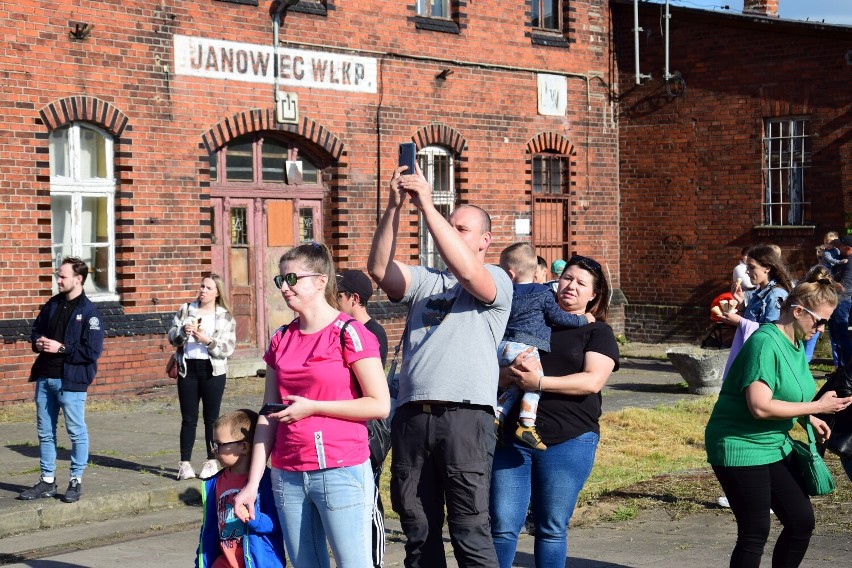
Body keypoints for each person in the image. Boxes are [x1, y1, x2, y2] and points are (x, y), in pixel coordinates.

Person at [368, 164, 512, 567]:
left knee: (469, 530)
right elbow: (379, 270)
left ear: (485, 240)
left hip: (465, 418)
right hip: (414, 417)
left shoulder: (498, 278)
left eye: (460, 228)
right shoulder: (426, 280)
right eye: (451, 226)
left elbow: (469, 271)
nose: (450, 231)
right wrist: (394, 209)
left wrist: (428, 207)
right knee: (418, 529)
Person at [233, 243, 389, 568]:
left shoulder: (350, 332)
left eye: (292, 278)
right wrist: (251, 483)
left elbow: (379, 405)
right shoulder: (280, 338)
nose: (285, 287)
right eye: (280, 280)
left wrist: (314, 407)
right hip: (288, 473)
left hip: (341, 469)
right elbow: (268, 414)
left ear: (321, 280)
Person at [705, 277, 852, 568]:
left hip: (773, 443)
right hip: (739, 444)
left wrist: (807, 416)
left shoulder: (795, 344)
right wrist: (819, 406)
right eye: (819, 321)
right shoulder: (765, 342)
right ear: (799, 311)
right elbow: (759, 406)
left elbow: (781, 394)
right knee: (755, 532)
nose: (821, 329)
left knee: (800, 522)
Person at [490, 254, 618, 567]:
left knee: (551, 527)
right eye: (567, 278)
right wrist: (507, 376)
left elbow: (592, 381)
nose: (571, 286)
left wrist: (540, 381)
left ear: (594, 295)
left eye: (581, 283)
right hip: (512, 440)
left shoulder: (596, 332)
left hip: (569, 439)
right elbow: (490, 370)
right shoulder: (532, 319)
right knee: (503, 526)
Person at [18, 257, 105, 504]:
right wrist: (38, 342)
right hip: (45, 377)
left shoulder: (90, 313)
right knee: (45, 432)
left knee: (76, 432)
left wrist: (61, 348)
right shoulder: (53, 304)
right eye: (58, 275)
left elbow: (91, 352)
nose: (58, 280)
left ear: (78, 279)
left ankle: (75, 480)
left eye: (63, 276)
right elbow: (36, 330)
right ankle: (47, 480)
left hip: (71, 382)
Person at [495, 243, 593, 451]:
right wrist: (583, 320)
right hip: (525, 347)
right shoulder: (543, 292)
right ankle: (527, 424)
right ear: (536, 270)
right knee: (533, 383)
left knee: (515, 385)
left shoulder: (504, 293)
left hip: (502, 346)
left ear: (510, 274)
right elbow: (558, 316)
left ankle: (498, 417)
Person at [336, 267, 389, 568]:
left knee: (369, 498)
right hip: (347, 424)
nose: (332, 299)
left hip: (366, 428)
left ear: (353, 299)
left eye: (338, 295)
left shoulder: (371, 333)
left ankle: (374, 560)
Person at [196, 409, 287, 568]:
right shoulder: (213, 484)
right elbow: (208, 532)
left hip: (258, 563)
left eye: (219, 445)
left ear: (244, 447)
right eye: (213, 444)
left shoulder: (265, 482)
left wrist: (254, 518)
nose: (213, 449)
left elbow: (278, 523)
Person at [168, 274, 237, 481]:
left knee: (211, 419)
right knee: (188, 419)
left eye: (208, 288)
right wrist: (182, 331)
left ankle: (210, 461)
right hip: (188, 369)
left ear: (217, 292)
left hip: (212, 371)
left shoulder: (224, 316)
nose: (203, 290)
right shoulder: (186, 309)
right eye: (202, 286)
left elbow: (228, 348)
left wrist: (207, 340)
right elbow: (171, 337)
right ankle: (185, 464)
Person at [722, 244, 794, 328]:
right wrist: (741, 302)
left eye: (751, 267)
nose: (747, 271)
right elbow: (748, 322)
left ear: (767, 268)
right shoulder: (760, 292)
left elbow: (770, 331)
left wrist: (739, 322)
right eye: (747, 267)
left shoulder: (775, 295)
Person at [337, 269, 388, 367]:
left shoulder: (374, 333)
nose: (333, 301)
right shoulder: (341, 328)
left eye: (338, 296)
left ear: (355, 298)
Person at [827, 235, 852, 369]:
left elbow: (844, 287)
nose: (838, 248)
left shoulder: (849, 263)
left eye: (841, 246)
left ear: (848, 249)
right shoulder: (844, 258)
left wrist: (827, 280)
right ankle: (842, 370)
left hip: (842, 302)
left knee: (841, 338)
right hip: (838, 302)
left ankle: (846, 371)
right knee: (837, 339)